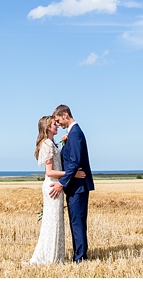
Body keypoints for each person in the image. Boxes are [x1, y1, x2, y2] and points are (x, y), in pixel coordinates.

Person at [29, 115, 86, 265]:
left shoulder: (51, 143)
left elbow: (59, 162)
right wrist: (73, 174)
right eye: (55, 124)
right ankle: (49, 258)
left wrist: (65, 142)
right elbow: (49, 172)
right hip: (53, 186)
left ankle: (54, 256)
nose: (57, 125)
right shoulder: (47, 144)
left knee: (55, 221)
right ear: (48, 127)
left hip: (57, 185)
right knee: (52, 222)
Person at [49, 104, 94, 263]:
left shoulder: (75, 134)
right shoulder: (73, 134)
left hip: (78, 187)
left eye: (58, 120)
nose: (58, 124)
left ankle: (80, 258)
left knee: (77, 222)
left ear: (65, 115)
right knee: (77, 221)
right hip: (76, 185)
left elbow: (74, 162)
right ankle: (80, 255)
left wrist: (61, 184)